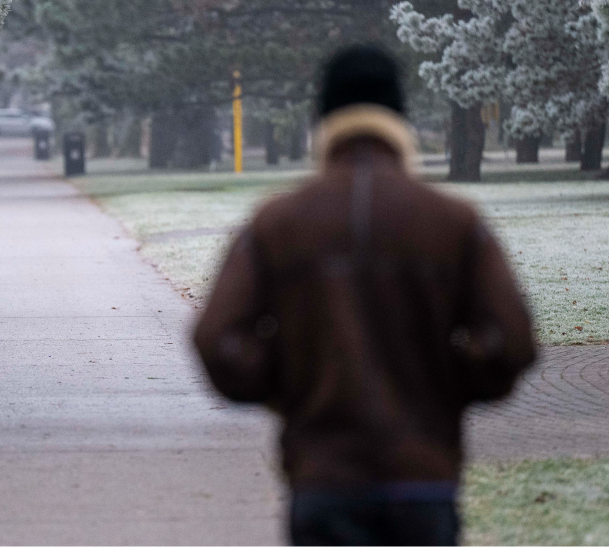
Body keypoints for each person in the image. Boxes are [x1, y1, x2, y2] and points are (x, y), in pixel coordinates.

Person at [192, 45, 536, 546]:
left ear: (324, 122)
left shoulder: (278, 223)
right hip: (423, 476)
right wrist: (447, 384)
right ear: (398, 120)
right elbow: (511, 338)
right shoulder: (453, 221)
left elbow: (217, 338)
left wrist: (289, 385)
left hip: (324, 477)